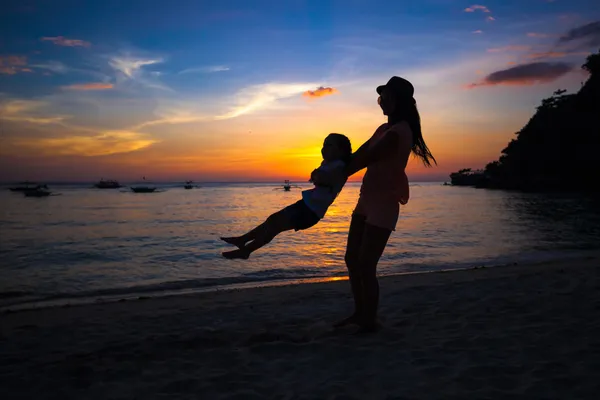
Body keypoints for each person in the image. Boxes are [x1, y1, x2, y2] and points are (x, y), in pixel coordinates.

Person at [330, 76, 436, 333]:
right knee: (351, 259)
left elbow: (367, 158)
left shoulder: (400, 132)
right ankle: (360, 313)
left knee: (366, 263)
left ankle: (369, 319)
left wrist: (333, 174)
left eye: (386, 98)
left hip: (385, 203)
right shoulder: (382, 129)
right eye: (381, 98)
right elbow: (359, 153)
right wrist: (332, 165)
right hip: (366, 198)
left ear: (398, 101)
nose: (382, 102)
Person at [220, 133, 352, 259]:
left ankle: (246, 250)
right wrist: (316, 176)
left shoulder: (339, 166)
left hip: (310, 212)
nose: (323, 149)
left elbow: (323, 178)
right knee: (272, 220)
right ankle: (242, 240)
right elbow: (316, 177)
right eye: (323, 145)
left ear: (341, 151)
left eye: (329, 145)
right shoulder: (328, 164)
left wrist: (317, 176)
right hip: (306, 204)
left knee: (274, 227)